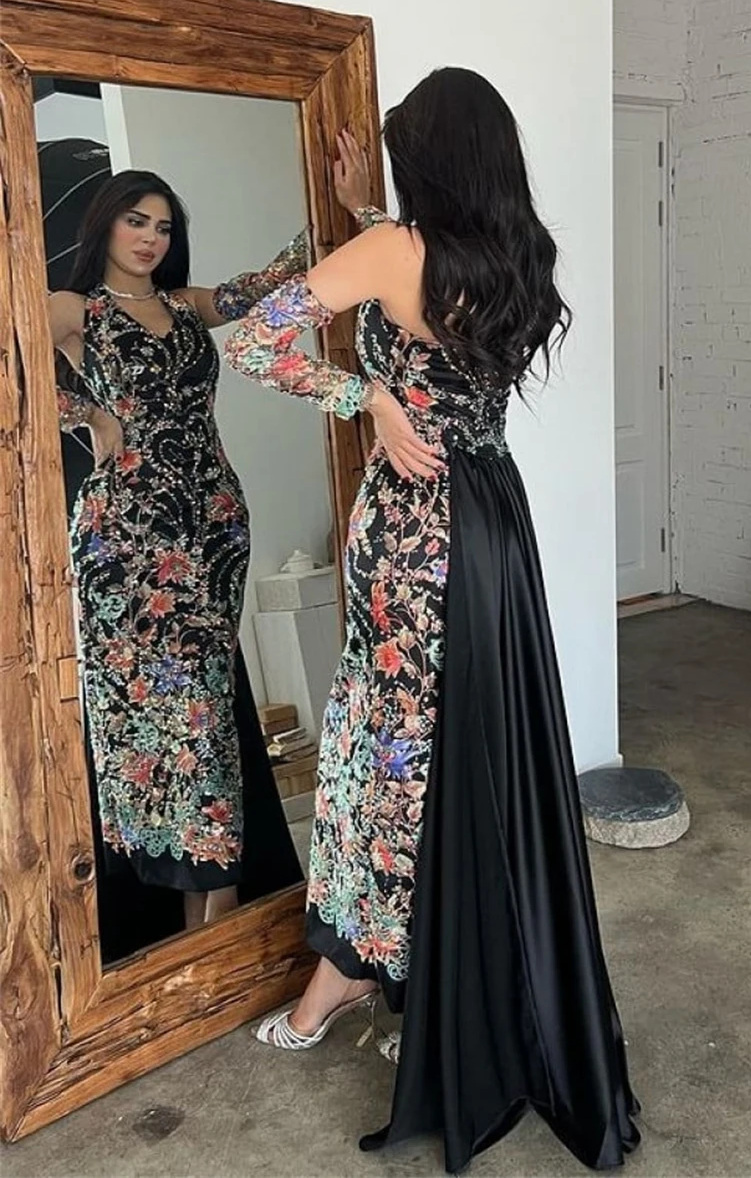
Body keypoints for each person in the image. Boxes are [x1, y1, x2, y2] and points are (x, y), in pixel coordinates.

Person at [230, 69, 640, 1172]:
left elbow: (250, 343)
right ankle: (452, 970)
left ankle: (346, 975)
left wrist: (361, 397)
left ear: (430, 161)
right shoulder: (514, 252)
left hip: (415, 539)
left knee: (384, 761)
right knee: (467, 754)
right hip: (495, 525)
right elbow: (420, 288)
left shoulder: (394, 251)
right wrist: (368, 211)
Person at [50, 171, 303, 931]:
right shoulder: (75, 309)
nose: (150, 237)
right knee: (156, 711)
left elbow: (262, 287)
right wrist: (86, 411)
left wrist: (332, 210)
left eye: (162, 226)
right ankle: (194, 903)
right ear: (106, 225)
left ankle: (215, 900)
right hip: (127, 539)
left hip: (213, 523)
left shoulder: (186, 306)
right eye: (137, 220)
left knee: (207, 706)